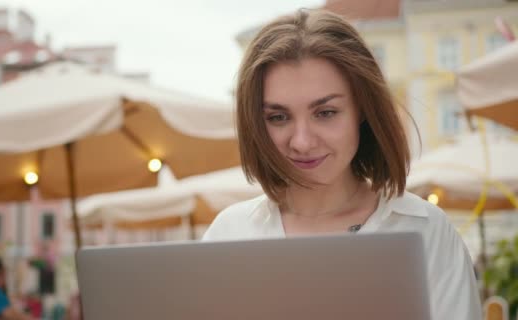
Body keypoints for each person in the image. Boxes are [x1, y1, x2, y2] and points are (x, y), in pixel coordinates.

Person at [202, 9, 481, 320]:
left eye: (325, 112)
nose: (302, 142)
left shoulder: (424, 230)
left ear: (362, 109)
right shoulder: (230, 233)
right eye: (278, 117)